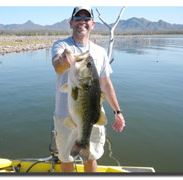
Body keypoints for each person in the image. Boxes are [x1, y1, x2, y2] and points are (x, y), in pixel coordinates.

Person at [51, 6, 125, 172]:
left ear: (92, 24)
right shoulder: (61, 45)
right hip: (65, 116)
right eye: (78, 19)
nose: (82, 22)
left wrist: (117, 112)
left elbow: (106, 84)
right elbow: (57, 66)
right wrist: (65, 59)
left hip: (94, 115)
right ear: (71, 23)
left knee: (91, 159)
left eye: (86, 19)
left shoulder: (99, 52)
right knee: (66, 159)